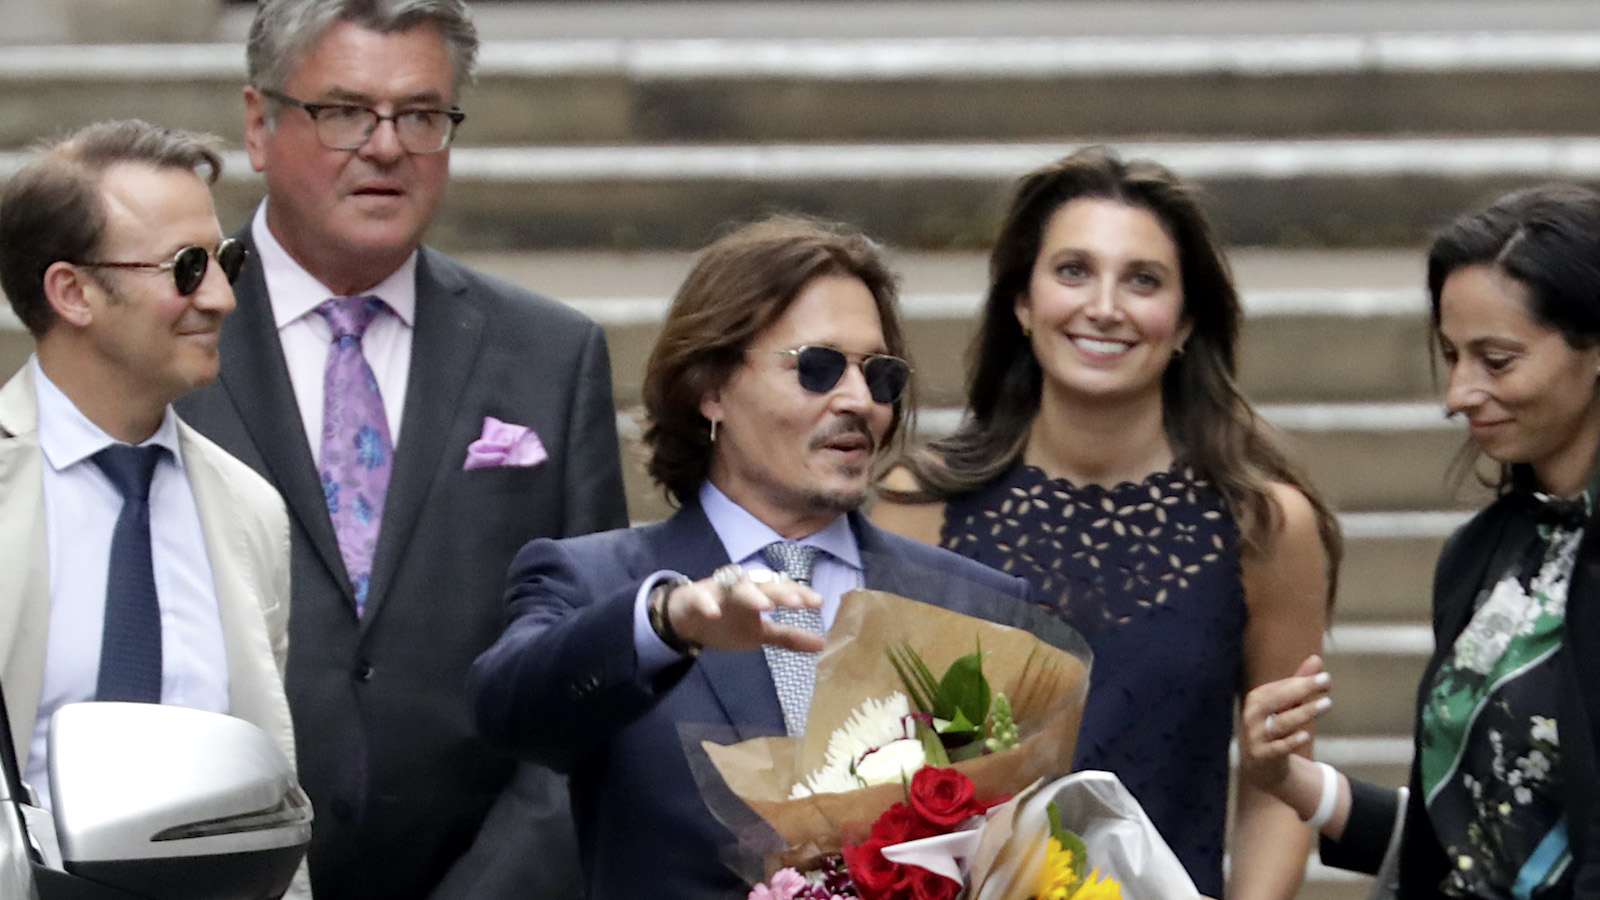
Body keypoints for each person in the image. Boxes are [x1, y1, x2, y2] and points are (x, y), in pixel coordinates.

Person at [173, 1, 628, 897]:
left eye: (421, 116)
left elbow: (590, 677)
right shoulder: (168, 334)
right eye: (344, 111)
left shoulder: (549, 356)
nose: (386, 147)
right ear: (259, 125)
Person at [468, 216, 1041, 899]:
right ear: (711, 386)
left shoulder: (976, 609)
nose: (859, 400)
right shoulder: (598, 584)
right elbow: (505, 712)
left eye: (880, 375)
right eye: (818, 367)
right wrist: (667, 622)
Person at [871, 146, 1341, 899]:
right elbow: (874, 764)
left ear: (1186, 320)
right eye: (1073, 271)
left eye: (1143, 280)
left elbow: (1276, 788)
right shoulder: (919, 502)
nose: (1104, 306)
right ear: (1021, 302)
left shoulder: (1263, 523)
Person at [1240, 185, 1600, 900]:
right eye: (1451, 356)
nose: (1457, 393)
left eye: (1496, 361)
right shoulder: (1479, 558)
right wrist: (1291, 780)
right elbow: (1464, 851)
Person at [0, 120, 298, 872]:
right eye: (187, 267)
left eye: (226, 261)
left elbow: (267, 795)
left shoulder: (248, 510)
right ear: (72, 292)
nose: (224, 297)